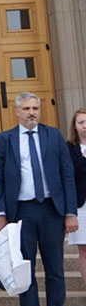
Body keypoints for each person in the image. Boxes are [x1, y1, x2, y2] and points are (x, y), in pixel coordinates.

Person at [0, 92, 78, 306]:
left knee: (55, 269)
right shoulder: (3, 140)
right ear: (17, 111)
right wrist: (1, 213)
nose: (32, 113)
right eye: (27, 108)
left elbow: (67, 175)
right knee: (24, 269)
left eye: (35, 108)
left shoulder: (55, 136)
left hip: (51, 210)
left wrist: (70, 212)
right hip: (21, 212)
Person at [66, 108, 86, 293]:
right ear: (75, 126)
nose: (85, 126)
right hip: (81, 204)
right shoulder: (70, 149)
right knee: (84, 250)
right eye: (81, 122)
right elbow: (71, 173)